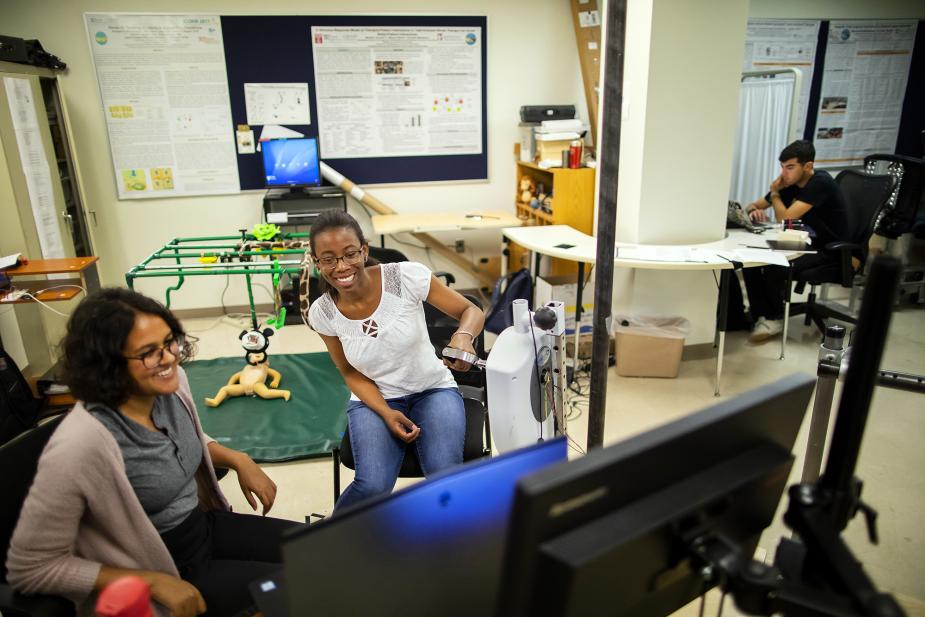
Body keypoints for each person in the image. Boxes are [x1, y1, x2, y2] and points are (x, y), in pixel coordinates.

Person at [6, 288, 302, 617]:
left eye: (169, 342)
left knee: (320, 551)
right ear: (106, 364)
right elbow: (29, 568)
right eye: (148, 352)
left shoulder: (171, 386)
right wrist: (151, 582)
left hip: (203, 526)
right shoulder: (80, 445)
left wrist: (236, 458)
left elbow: (182, 440)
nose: (169, 358)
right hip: (159, 564)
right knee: (295, 593)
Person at [305, 209, 484, 513]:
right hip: (374, 400)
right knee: (372, 485)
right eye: (329, 259)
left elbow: (472, 311)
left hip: (433, 389)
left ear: (363, 251)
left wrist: (463, 336)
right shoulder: (322, 313)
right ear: (316, 262)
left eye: (350, 254)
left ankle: (451, 543)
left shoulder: (405, 276)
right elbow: (349, 372)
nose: (342, 266)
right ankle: (330, 544)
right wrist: (386, 412)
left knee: (444, 475)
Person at [741, 139, 848, 342]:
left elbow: (786, 218)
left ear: (808, 166)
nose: (784, 173)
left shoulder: (821, 183)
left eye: (790, 167)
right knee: (750, 262)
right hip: (802, 242)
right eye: (782, 167)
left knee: (775, 266)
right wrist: (755, 211)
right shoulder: (790, 185)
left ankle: (773, 318)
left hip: (828, 250)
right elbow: (751, 206)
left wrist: (774, 194)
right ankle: (761, 315)